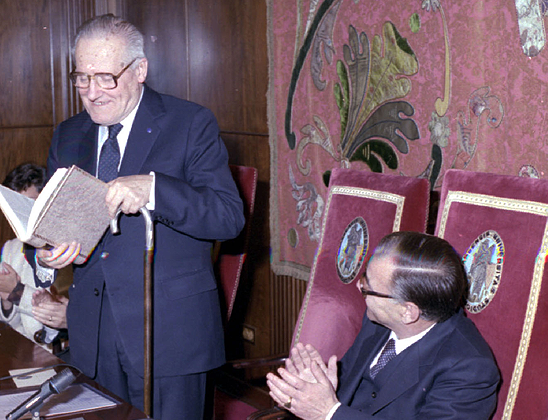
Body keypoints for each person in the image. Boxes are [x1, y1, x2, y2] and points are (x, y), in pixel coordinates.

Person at [34, 14, 245, 420]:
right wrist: (48, 250)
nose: (92, 93)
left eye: (105, 78)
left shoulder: (189, 124)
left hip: (167, 335)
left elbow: (227, 217)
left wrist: (155, 190)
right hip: (91, 336)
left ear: (140, 71)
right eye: (82, 78)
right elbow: (53, 224)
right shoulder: (68, 133)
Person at [267, 231, 500, 419]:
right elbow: (350, 390)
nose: (359, 288)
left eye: (368, 287)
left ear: (407, 311)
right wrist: (310, 390)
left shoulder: (470, 369)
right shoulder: (378, 321)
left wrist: (328, 412)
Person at [0, 163, 68, 350]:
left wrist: (16, 292)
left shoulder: (67, 247)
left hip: (59, 352)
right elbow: (3, 320)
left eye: (29, 204)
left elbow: (61, 313)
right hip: (21, 350)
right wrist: (6, 298)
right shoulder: (12, 247)